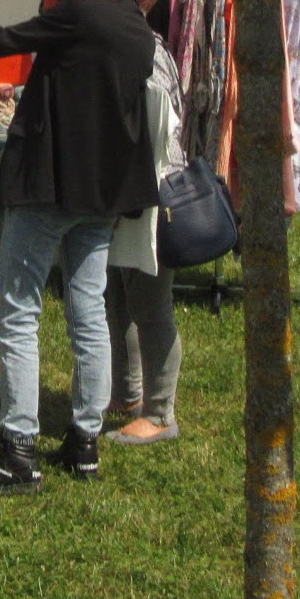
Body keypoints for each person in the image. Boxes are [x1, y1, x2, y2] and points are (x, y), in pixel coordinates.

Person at [0, 0, 161, 495]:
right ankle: (85, 442)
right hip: (102, 196)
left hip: (50, 186)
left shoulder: (80, 12)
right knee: (87, 310)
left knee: (18, 312)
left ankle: (19, 452)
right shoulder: (142, 35)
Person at [104, 25, 187, 444]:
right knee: (119, 297)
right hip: (129, 189)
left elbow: (155, 127)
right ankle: (128, 394)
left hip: (150, 188)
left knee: (150, 302)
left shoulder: (143, 48)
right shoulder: (133, 40)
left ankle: (160, 412)